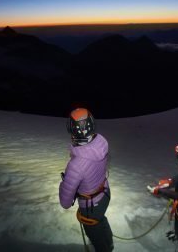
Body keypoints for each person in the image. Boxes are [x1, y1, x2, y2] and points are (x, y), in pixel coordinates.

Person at [59, 108, 114, 252]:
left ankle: (105, 249)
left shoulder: (75, 166)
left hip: (91, 206)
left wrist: (64, 183)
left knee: (94, 233)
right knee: (101, 220)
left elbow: (65, 203)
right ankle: (109, 243)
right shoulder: (100, 143)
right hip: (105, 193)